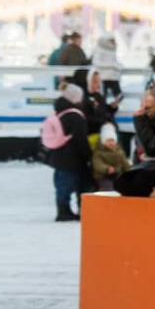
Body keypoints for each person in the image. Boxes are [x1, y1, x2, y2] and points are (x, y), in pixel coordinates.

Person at [43, 82, 91, 221]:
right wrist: (88, 155)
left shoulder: (60, 111)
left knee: (61, 185)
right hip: (72, 158)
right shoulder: (75, 116)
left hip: (59, 156)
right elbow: (81, 139)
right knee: (72, 184)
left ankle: (63, 209)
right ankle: (65, 212)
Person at [90, 33, 123, 103]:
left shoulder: (113, 49)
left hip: (113, 78)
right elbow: (96, 63)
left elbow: (115, 61)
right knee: (102, 98)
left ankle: (111, 108)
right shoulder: (98, 49)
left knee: (119, 96)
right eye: (111, 40)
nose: (113, 42)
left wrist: (118, 65)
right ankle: (105, 111)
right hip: (102, 78)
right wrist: (112, 65)